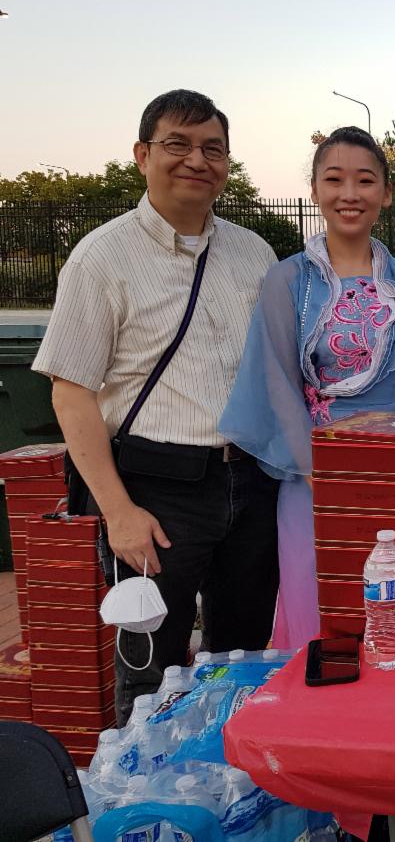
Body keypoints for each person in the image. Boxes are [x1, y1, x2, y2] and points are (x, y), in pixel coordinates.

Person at [34, 89, 280, 724]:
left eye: (213, 149)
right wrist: (118, 512)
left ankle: (229, 776)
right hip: (156, 491)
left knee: (243, 659)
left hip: (251, 482)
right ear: (143, 155)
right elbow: (71, 391)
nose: (197, 160)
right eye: (178, 144)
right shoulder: (102, 257)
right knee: (152, 672)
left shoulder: (253, 254)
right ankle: (145, 781)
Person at [220, 126, 395, 649]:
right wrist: (319, 469)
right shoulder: (288, 280)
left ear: (386, 193)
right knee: (319, 593)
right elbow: (277, 377)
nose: (349, 194)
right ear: (314, 190)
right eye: (334, 180)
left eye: (366, 181)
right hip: (318, 465)